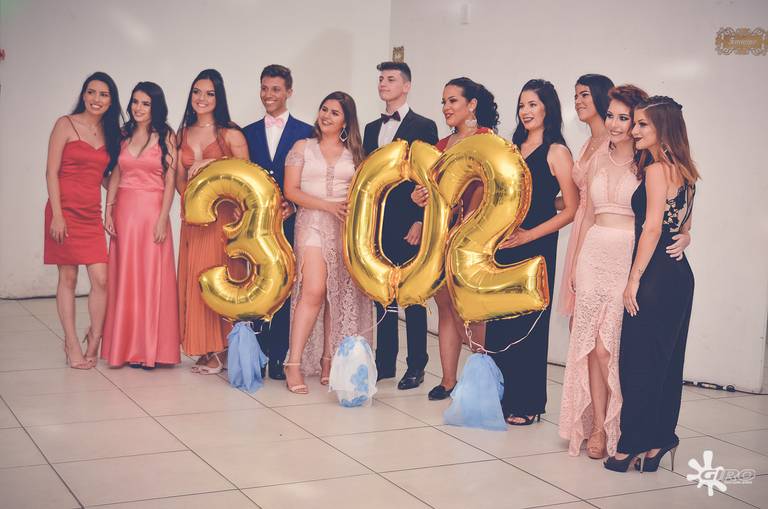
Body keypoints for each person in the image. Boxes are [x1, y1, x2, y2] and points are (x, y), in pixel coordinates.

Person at [605, 96, 698, 473]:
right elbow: (684, 227)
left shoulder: (658, 169)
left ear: (663, 128)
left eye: (642, 124)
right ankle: (660, 439)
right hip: (679, 275)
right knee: (666, 361)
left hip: (655, 276)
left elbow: (653, 228)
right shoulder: (686, 170)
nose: (634, 130)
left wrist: (633, 278)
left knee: (638, 362)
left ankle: (631, 445)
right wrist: (687, 238)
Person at [487, 79, 579, 425]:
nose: (525, 112)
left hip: (535, 246)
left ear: (547, 109)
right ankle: (498, 395)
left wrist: (529, 235)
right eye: (522, 105)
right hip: (503, 243)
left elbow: (571, 208)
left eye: (533, 105)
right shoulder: (511, 147)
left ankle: (527, 403)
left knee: (529, 322)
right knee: (500, 319)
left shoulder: (557, 151)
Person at [411, 77, 498, 401]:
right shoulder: (441, 146)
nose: (446, 108)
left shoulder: (488, 140)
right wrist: (419, 197)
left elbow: (492, 187)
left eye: (453, 101)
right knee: (446, 306)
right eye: (444, 102)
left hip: (474, 236)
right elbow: (429, 190)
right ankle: (448, 380)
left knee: (472, 309)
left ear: (471, 104)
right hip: (441, 235)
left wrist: (467, 225)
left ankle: (482, 377)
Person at [282, 91, 373, 394]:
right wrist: (327, 206)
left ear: (346, 120)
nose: (326, 116)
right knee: (314, 290)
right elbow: (291, 190)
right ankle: (293, 363)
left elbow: (364, 193)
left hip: (344, 228)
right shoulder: (302, 147)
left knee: (337, 291)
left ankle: (329, 359)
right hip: (311, 224)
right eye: (324, 109)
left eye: (335, 112)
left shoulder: (355, 154)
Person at [362, 61, 438, 390]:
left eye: (391, 79)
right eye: (381, 79)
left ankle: (417, 365)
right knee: (383, 294)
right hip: (376, 224)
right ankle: (385, 363)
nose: (383, 83)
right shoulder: (370, 129)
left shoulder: (424, 125)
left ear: (406, 86)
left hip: (410, 223)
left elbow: (429, 178)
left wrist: (420, 220)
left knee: (412, 295)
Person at [43, 71, 122, 369]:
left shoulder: (111, 134)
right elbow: (51, 172)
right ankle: (71, 343)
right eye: (91, 92)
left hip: (90, 214)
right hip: (63, 212)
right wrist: (57, 215)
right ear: (84, 95)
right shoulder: (65, 124)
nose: (96, 99)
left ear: (111, 101)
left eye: (103, 94)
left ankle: (95, 337)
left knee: (101, 278)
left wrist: (130, 189)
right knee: (68, 277)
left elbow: (106, 177)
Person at [101, 81, 181, 369]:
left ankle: (150, 350)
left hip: (152, 214)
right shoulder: (123, 134)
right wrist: (109, 210)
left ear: (155, 107)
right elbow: (116, 174)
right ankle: (125, 348)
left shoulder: (166, 136)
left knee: (150, 279)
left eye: (145, 103)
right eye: (135, 101)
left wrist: (162, 218)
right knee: (125, 279)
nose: (138, 107)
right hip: (125, 214)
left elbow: (170, 181)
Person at [176, 69, 249, 374]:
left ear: (219, 98)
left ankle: (222, 349)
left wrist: (213, 162)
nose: (201, 98)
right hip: (193, 220)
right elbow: (179, 178)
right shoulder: (181, 134)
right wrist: (190, 205)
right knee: (195, 281)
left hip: (222, 220)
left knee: (218, 280)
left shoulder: (230, 134)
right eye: (197, 92)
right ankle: (206, 348)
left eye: (209, 93)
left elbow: (246, 175)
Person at [243, 64, 313, 380]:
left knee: (285, 287)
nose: (268, 94)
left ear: (288, 92)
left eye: (275, 89)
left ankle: (279, 356)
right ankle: (256, 353)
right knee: (258, 285)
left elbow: (311, 180)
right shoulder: (247, 133)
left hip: (290, 222)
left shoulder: (306, 132)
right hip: (256, 224)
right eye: (264, 88)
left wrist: (294, 206)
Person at [557, 74, 614, 318]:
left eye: (584, 95)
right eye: (576, 96)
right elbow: (577, 197)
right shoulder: (587, 143)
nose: (578, 101)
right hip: (580, 223)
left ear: (601, 97)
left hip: (596, 228)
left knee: (592, 312)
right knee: (578, 314)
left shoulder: (612, 144)